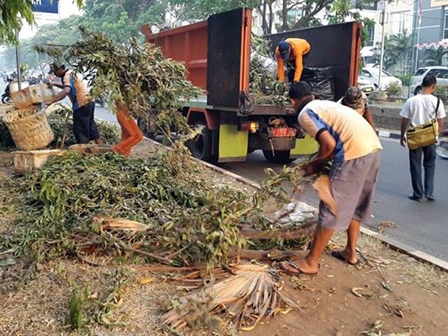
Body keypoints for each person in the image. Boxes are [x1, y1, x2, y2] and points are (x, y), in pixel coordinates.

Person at [280, 82, 382, 275]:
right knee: (356, 203)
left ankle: (311, 262)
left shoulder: (304, 114)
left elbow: (329, 143)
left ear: (293, 101)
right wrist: (321, 160)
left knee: (330, 205)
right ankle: (350, 252)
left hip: (353, 153)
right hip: (373, 150)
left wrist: (315, 165)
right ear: (312, 94)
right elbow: (326, 142)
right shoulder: (326, 105)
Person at [399, 74, 446, 201]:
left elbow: (404, 120)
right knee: (430, 164)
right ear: (433, 86)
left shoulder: (411, 100)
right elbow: (441, 120)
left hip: (415, 137)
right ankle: (429, 192)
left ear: (422, 85)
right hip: (430, 137)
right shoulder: (437, 101)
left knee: (415, 165)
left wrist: (402, 135)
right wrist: (438, 133)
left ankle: (418, 194)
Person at [47, 61, 102, 145]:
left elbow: (66, 90)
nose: (55, 74)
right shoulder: (70, 73)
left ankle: (84, 152)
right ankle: (100, 147)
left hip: (81, 103)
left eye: (55, 72)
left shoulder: (66, 76)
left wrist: (52, 101)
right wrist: (54, 84)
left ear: (59, 69)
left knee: (80, 129)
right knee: (91, 126)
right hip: (89, 101)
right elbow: (67, 86)